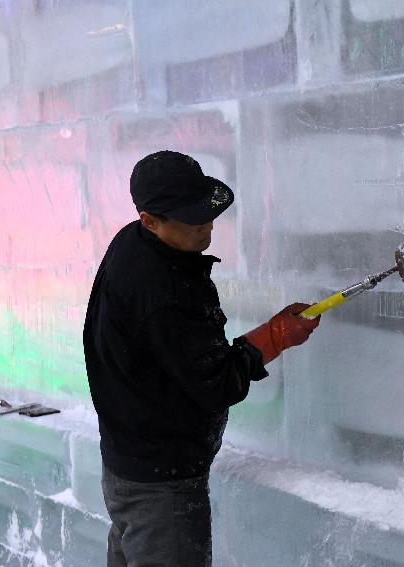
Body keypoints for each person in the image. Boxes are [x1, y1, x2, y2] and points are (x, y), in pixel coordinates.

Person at [83, 150, 320, 567]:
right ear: (150, 220)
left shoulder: (134, 242)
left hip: (129, 464)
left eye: (207, 212)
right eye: (193, 219)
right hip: (161, 486)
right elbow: (217, 384)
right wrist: (274, 337)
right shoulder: (161, 291)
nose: (208, 224)